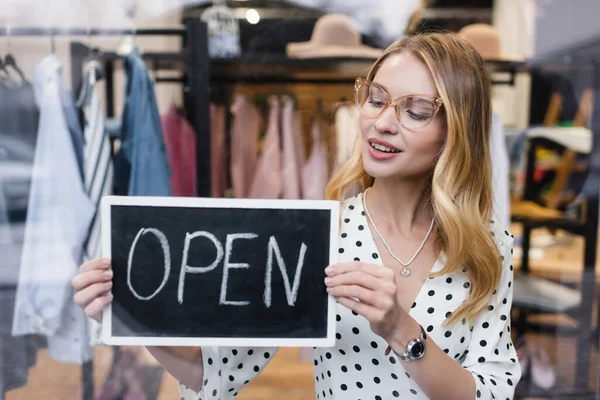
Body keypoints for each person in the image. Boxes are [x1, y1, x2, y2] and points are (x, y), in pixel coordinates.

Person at [72, 31, 521, 400]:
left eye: (416, 111)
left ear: (456, 130)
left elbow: (492, 393)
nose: (383, 121)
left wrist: (401, 329)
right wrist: (138, 317)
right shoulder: (316, 237)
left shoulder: (487, 246)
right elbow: (216, 375)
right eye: (377, 98)